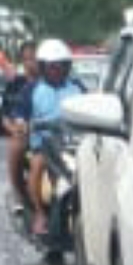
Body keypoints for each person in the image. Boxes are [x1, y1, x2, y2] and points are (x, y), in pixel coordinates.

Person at [24, 38, 84, 237]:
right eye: (52, 67)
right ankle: (40, 214)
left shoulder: (77, 87)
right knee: (37, 167)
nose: (57, 71)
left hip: (74, 142)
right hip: (44, 144)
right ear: (43, 68)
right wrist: (24, 125)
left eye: (61, 66)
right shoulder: (32, 90)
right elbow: (20, 117)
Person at [0, 39, 38, 208]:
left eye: (34, 58)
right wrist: (15, 129)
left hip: (54, 132)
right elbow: (6, 116)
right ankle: (19, 191)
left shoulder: (58, 83)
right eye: (27, 59)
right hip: (25, 131)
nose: (31, 63)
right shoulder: (17, 85)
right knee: (16, 145)